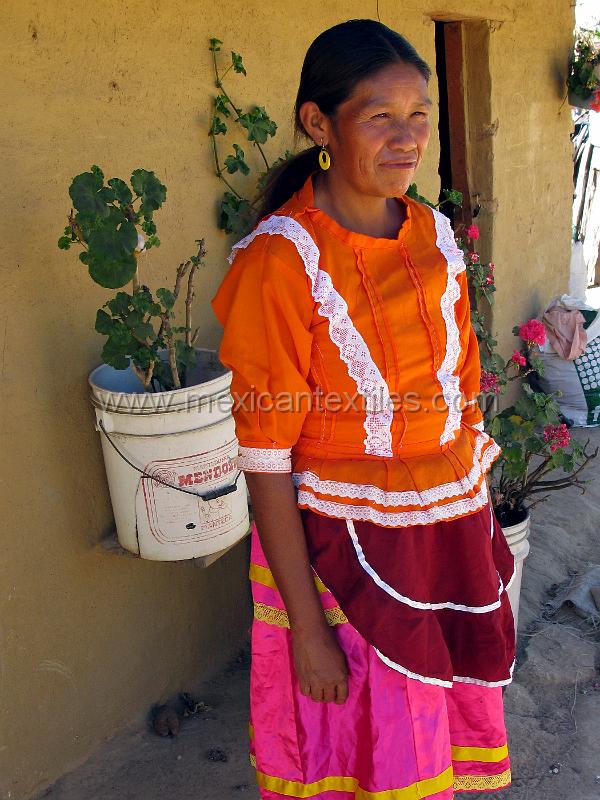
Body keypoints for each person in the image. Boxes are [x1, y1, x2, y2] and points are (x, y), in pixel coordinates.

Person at [211, 19, 516, 800]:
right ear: (319, 123)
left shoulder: (434, 235)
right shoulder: (282, 264)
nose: (407, 138)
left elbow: (462, 389)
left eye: (419, 115)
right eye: (379, 116)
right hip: (339, 553)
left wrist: (473, 529)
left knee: (428, 736)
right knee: (368, 750)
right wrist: (307, 630)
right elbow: (266, 460)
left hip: (441, 533)